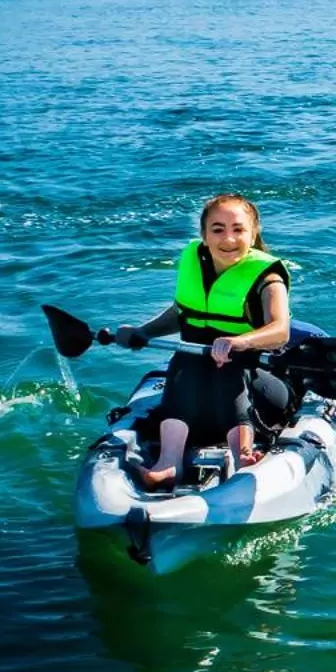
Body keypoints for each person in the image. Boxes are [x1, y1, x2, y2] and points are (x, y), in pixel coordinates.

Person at [112, 193, 292, 490]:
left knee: (228, 366)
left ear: (253, 232)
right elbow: (183, 313)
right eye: (218, 229)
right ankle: (168, 465)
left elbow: (280, 330)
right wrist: (143, 332)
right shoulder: (194, 260)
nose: (229, 238)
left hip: (260, 388)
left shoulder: (268, 278)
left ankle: (243, 455)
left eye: (238, 229)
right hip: (199, 391)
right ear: (204, 235)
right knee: (186, 360)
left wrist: (240, 342)